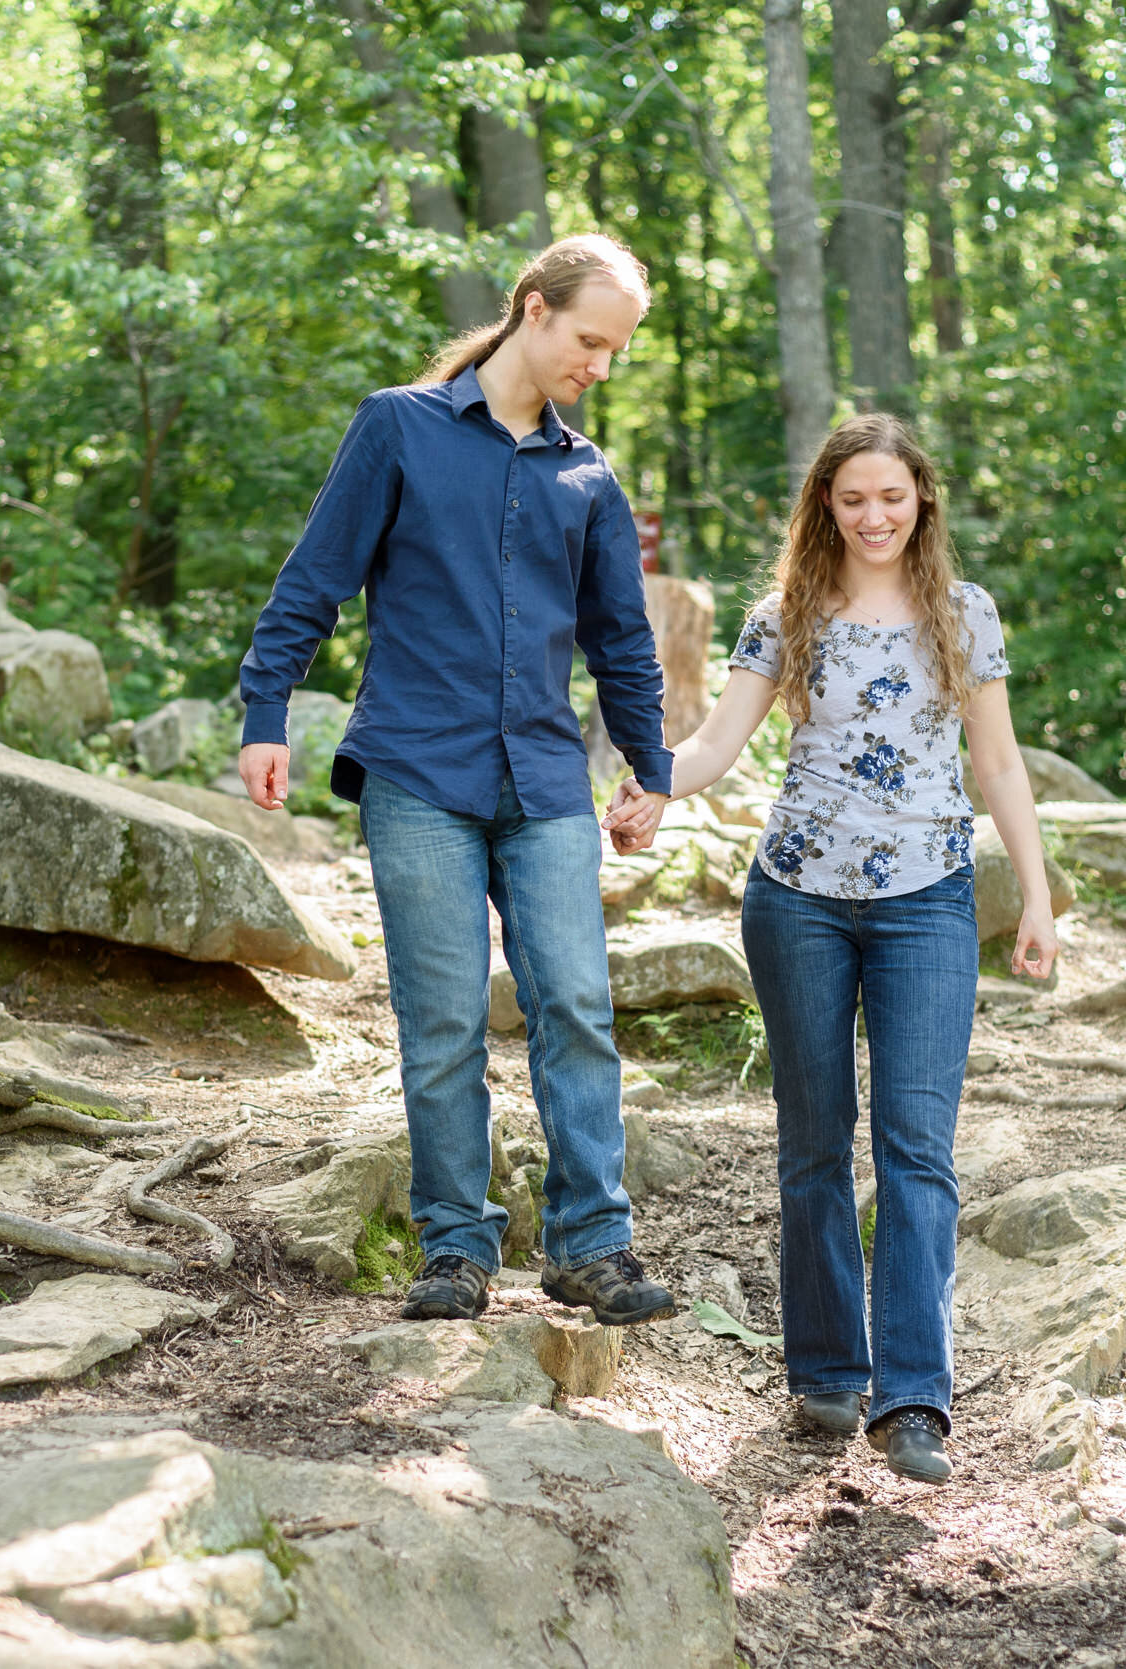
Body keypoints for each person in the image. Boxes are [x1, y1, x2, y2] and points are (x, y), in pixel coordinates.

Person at [604, 414, 1060, 1482]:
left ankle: (912, 1395)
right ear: (824, 505)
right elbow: (720, 737)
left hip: (928, 900)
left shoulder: (964, 613)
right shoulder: (787, 611)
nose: (873, 516)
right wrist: (655, 788)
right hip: (796, 899)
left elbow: (997, 764)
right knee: (813, 1143)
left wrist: (1035, 896)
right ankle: (822, 1371)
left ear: (921, 502)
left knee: (917, 1149)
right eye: (852, 498)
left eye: (891, 497)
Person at [237, 234, 680, 1329]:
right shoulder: (400, 428)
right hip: (418, 772)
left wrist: (648, 767)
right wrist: (266, 708)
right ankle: (454, 1246)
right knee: (441, 1021)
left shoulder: (587, 474)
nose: (600, 366)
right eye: (590, 340)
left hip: (542, 782)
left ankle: (592, 1246)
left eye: (616, 351)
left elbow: (623, 641)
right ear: (532, 309)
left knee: (574, 1005)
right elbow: (316, 579)